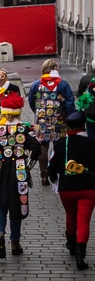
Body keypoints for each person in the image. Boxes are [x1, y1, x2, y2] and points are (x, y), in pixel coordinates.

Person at [0, 92, 40, 259]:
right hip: (19, 171)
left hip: (0, 171)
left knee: (1, 204)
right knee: (16, 206)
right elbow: (36, 148)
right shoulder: (24, 129)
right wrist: (28, 166)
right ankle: (15, 242)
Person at [48, 110, 95, 270]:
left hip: (66, 188)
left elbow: (51, 167)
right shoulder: (92, 143)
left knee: (70, 216)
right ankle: (81, 255)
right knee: (84, 221)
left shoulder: (60, 144)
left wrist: (54, 180)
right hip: (89, 188)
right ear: (84, 126)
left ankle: (71, 243)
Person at [28, 58, 77, 185]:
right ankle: (57, 171)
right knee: (59, 145)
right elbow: (69, 103)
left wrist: (38, 112)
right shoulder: (63, 84)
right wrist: (70, 118)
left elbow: (31, 101)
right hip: (59, 120)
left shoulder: (36, 84)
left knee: (42, 146)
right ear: (55, 69)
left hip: (41, 119)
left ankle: (44, 174)